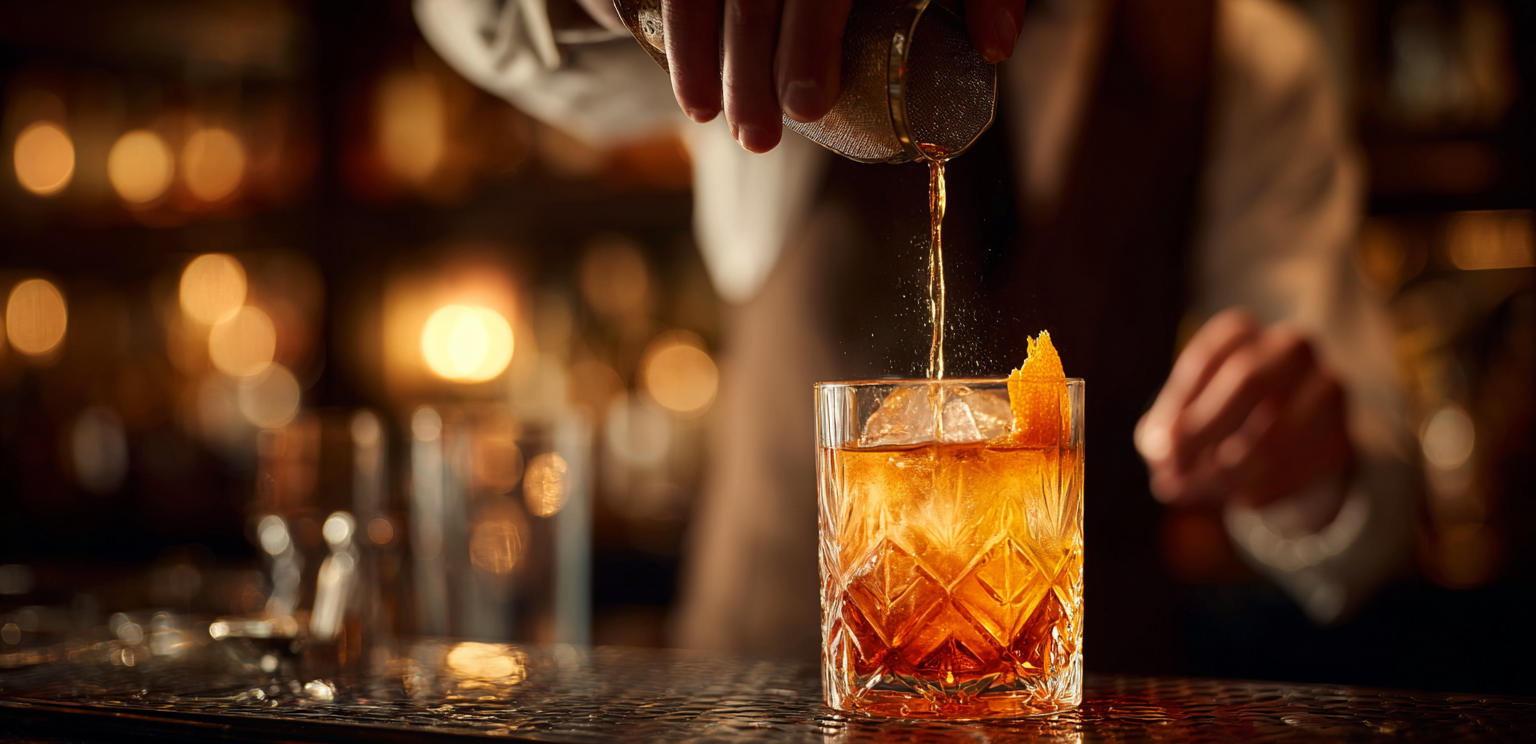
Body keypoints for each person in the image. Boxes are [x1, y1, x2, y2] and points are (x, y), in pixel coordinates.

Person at [415, 0, 1416, 670]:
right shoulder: (797, 18)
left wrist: (1306, 460)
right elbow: (480, 26)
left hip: (1086, 716)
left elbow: (1370, 526)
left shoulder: (1246, 53)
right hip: (761, 707)